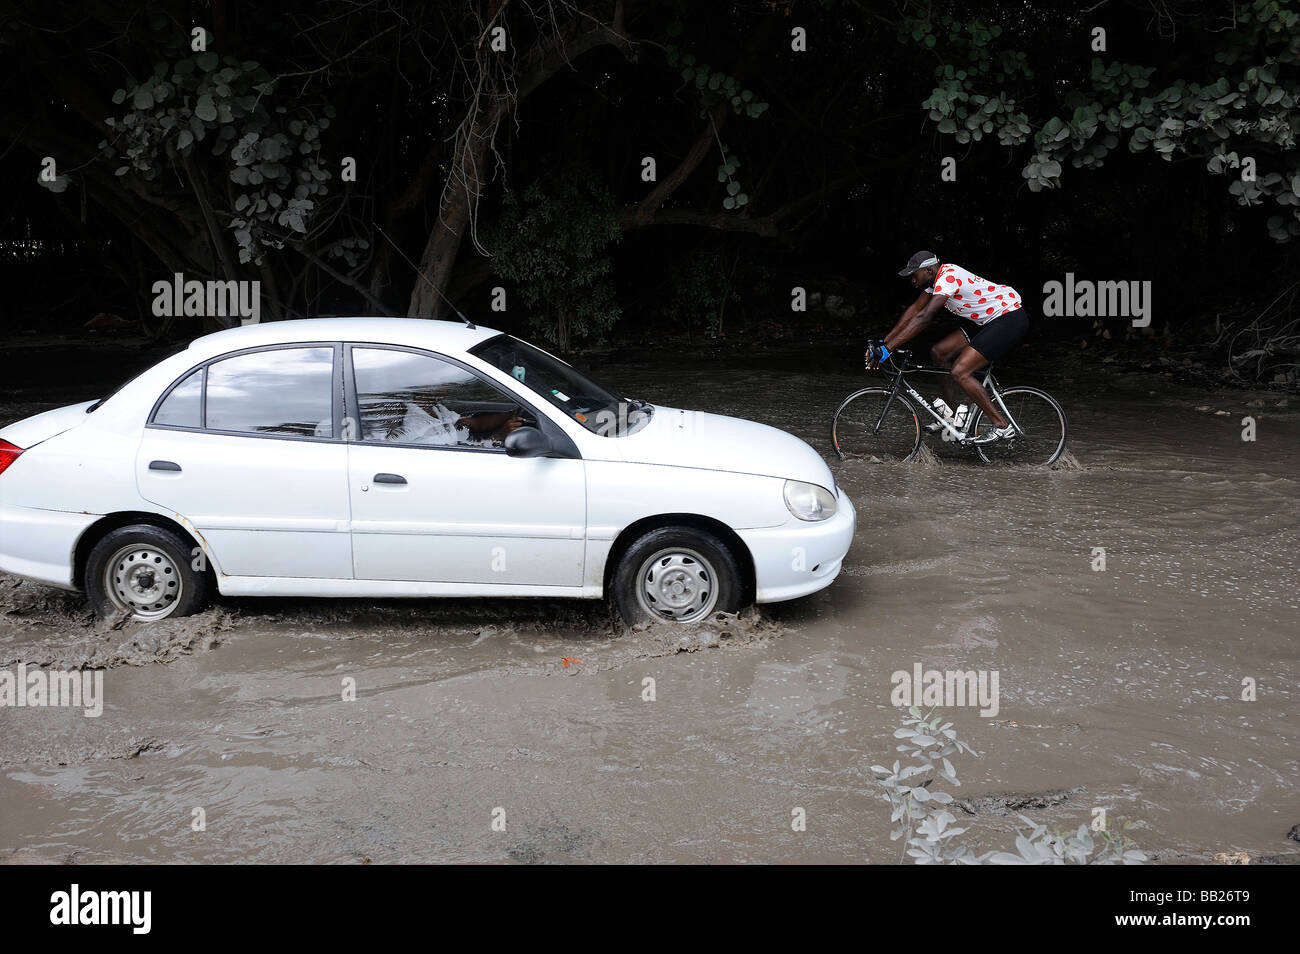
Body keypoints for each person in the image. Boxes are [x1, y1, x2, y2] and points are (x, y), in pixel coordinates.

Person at [865, 250, 1030, 443]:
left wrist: (888, 349)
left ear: (928, 270)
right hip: (985, 321)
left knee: (960, 371)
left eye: (914, 274)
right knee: (939, 352)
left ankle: (1002, 426)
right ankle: (952, 417)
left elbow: (924, 318)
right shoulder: (934, 282)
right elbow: (914, 311)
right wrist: (885, 343)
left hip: (1008, 318)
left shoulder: (949, 277)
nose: (912, 279)